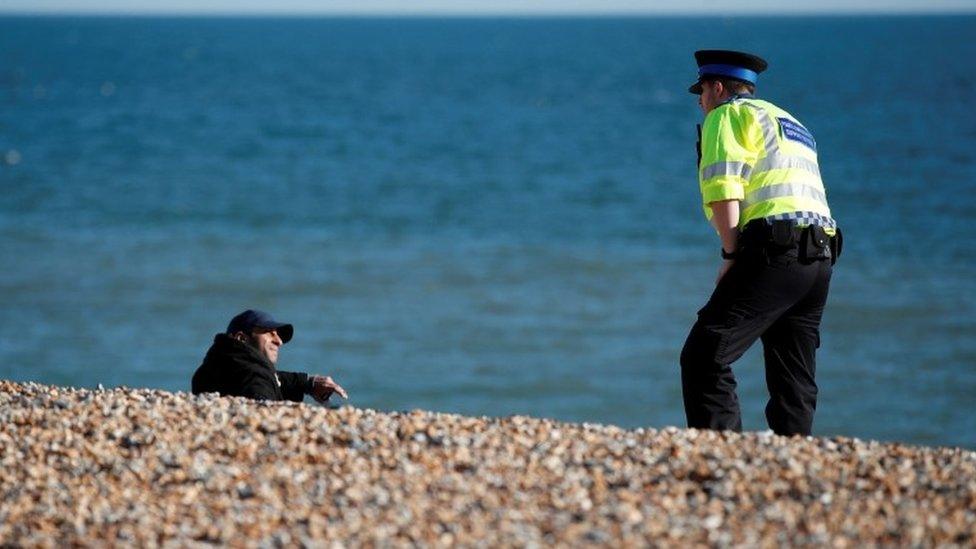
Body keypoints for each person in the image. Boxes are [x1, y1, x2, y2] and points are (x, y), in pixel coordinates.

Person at [680, 50, 841, 437]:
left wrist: (730, 253)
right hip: (820, 256)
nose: (701, 103)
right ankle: (793, 458)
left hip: (776, 251)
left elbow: (724, 188)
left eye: (700, 93)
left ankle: (722, 455)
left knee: (705, 355)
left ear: (716, 88)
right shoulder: (789, 121)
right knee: (793, 373)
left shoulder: (727, 115)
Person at [192, 309, 348, 404]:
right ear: (241, 338)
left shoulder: (216, 367)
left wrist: (308, 383)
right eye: (270, 333)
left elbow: (272, 378)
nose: (279, 341)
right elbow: (261, 402)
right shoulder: (254, 377)